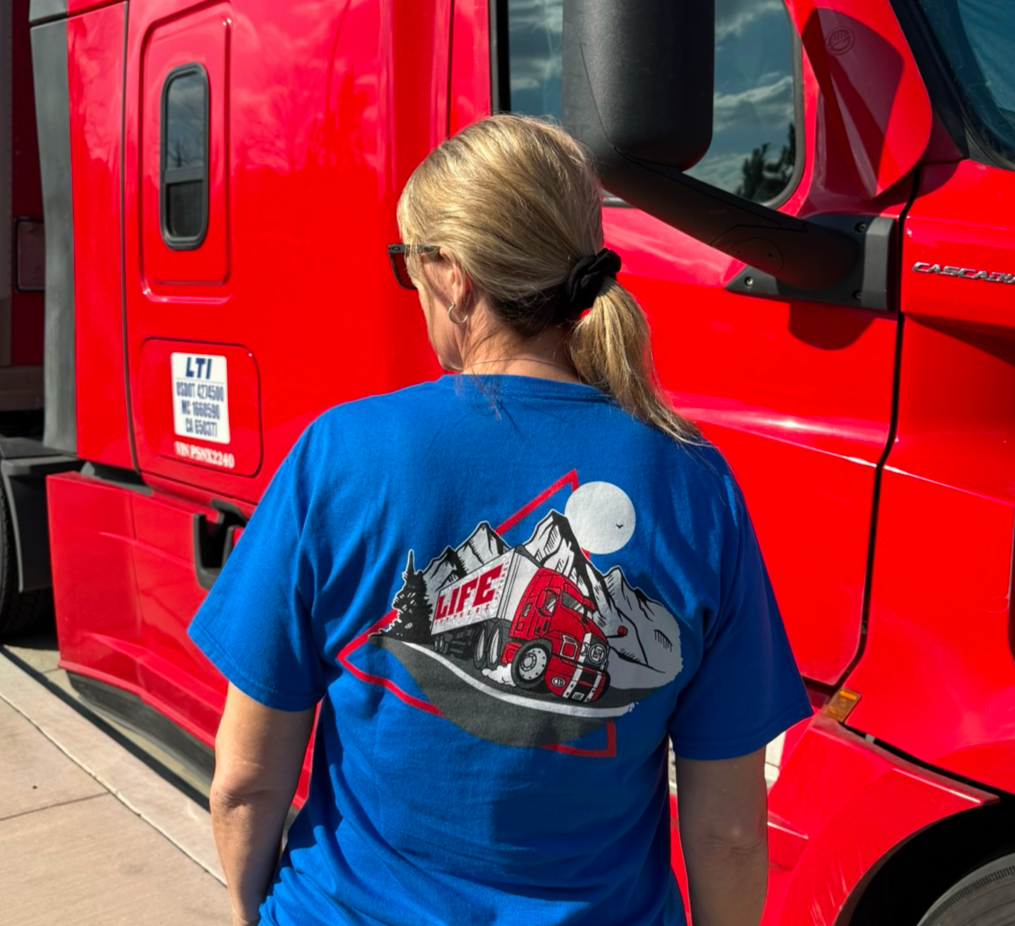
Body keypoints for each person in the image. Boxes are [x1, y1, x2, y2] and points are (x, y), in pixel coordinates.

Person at [189, 114, 811, 926]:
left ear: (450, 274)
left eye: (407, 264)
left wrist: (249, 914)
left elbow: (247, 782)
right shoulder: (695, 481)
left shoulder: (340, 452)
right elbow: (728, 831)